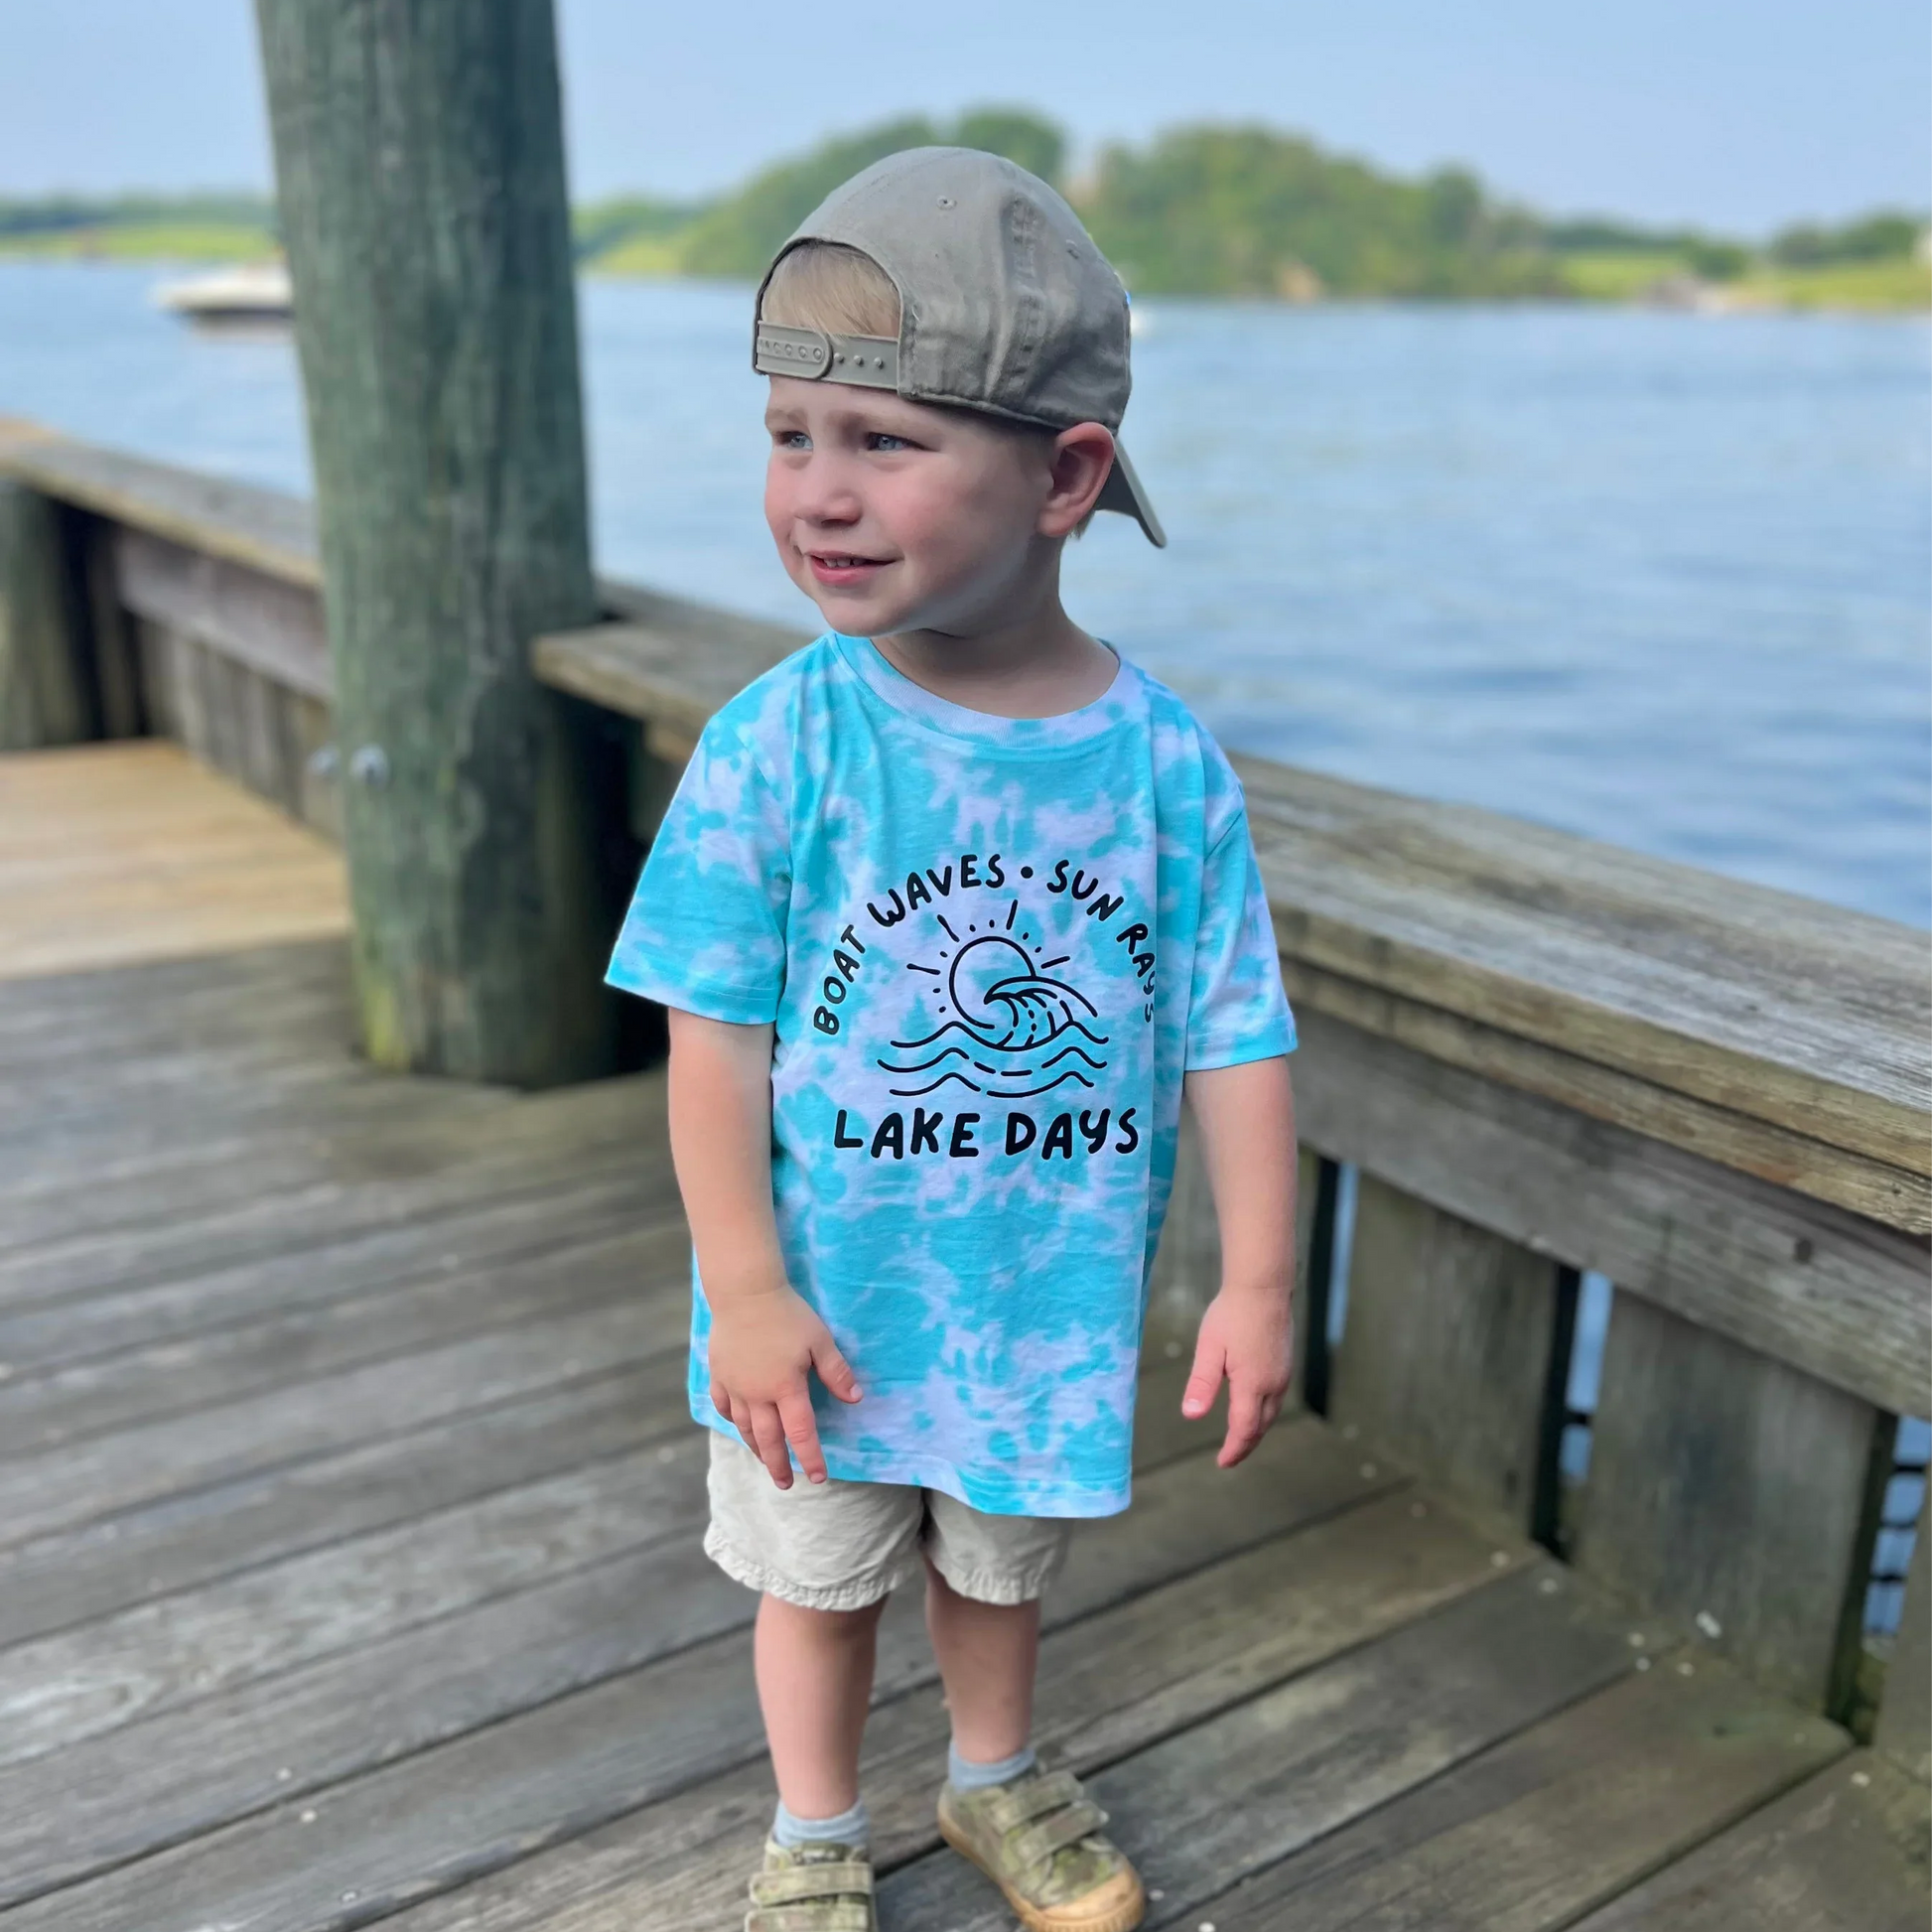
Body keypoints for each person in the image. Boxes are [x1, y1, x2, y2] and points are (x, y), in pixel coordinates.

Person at [607, 146, 1299, 1932]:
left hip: (1040, 1300)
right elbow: (714, 1045)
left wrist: (1256, 1281)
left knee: (1000, 1564)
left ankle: (993, 1775)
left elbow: (1232, 1028)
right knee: (820, 1580)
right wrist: (744, 1285)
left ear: (1064, 475)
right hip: (822, 1316)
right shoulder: (783, 742)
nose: (817, 496)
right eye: (789, 436)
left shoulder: (1160, 764)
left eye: (884, 444)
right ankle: (814, 1830)